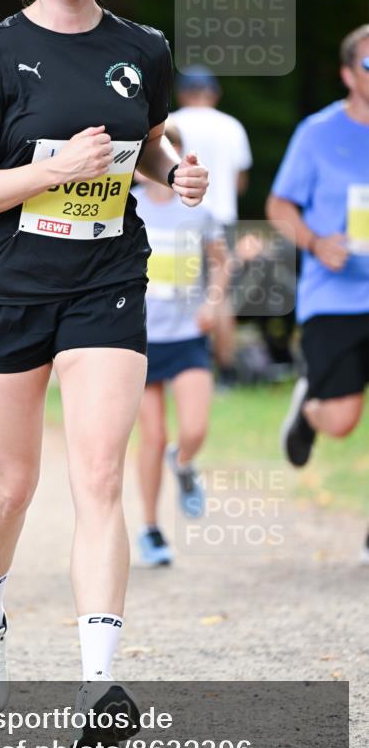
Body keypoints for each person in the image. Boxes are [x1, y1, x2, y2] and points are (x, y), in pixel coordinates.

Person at [0, 0, 208, 731]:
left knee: (98, 474)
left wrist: (176, 173)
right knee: (12, 486)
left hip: (106, 279)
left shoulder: (142, 47)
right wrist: (49, 172)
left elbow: (148, 144)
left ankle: (98, 686)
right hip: (9, 285)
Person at [266, 24, 369, 565]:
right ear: (349, 74)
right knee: (343, 421)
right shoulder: (317, 133)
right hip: (335, 295)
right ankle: (310, 409)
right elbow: (280, 207)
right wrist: (315, 242)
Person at [134, 122, 228, 565]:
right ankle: (151, 529)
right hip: (140, 336)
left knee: (194, 429)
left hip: (189, 333)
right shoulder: (126, 206)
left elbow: (221, 265)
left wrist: (212, 303)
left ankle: (185, 463)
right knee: (151, 437)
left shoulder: (199, 210)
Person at [171, 68, 252, 386]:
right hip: (221, 219)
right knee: (220, 294)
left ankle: (179, 363)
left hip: (181, 218)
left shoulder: (172, 122)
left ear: (181, 94)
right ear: (214, 93)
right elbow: (239, 182)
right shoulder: (232, 126)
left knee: (175, 291)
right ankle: (225, 371)